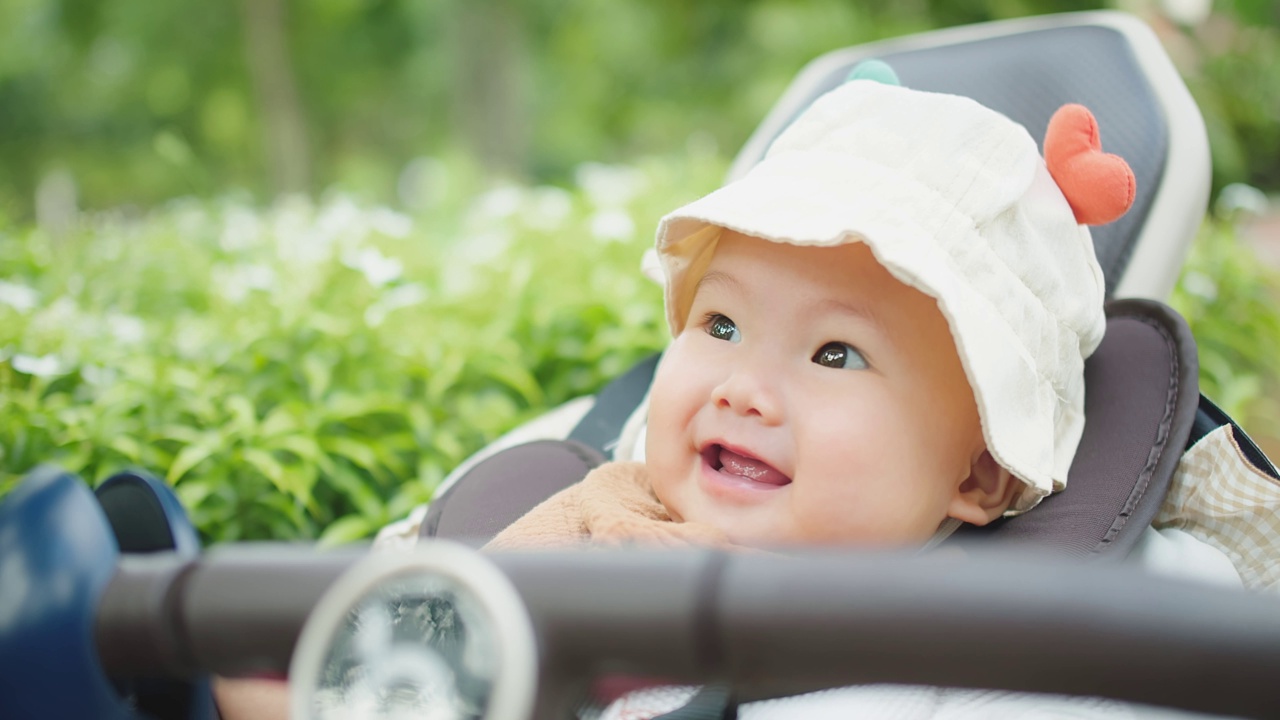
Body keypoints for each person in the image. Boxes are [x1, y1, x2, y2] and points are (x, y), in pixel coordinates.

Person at [484, 62, 1130, 553]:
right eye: (722, 325)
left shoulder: (966, 674)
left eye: (835, 354)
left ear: (981, 473)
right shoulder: (591, 511)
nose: (741, 392)